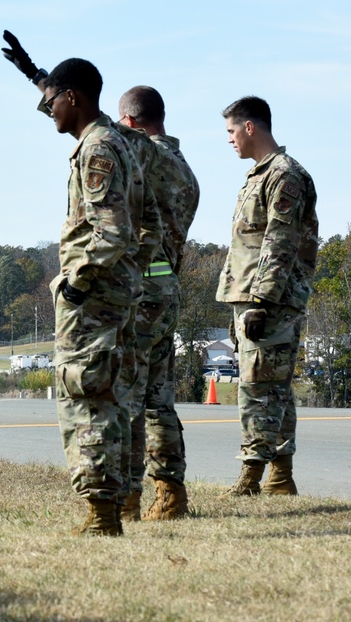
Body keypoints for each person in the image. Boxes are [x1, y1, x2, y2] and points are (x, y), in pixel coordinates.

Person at [2, 32, 160, 522]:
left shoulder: (97, 150)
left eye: (50, 101)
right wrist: (36, 75)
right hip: (120, 292)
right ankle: (112, 505)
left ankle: (100, 511)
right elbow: (148, 223)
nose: (45, 109)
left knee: (85, 397)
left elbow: (112, 231)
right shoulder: (117, 141)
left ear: (73, 98)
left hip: (94, 297)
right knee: (112, 397)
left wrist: (79, 279)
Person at [217, 96, 318, 496]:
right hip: (253, 296)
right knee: (274, 388)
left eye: (230, 131)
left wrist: (260, 302)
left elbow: (279, 241)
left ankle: (251, 476)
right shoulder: (260, 175)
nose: (229, 140)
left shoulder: (284, 175)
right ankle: (281, 476)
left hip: (269, 301)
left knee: (258, 388)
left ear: (250, 127)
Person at [117, 86, 200, 520]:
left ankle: (128, 498)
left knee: (128, 397)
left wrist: (46, 90)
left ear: (130, 123)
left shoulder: (146, 154)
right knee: (158, 399)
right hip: (165, 291)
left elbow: (92, 131)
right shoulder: (184, 169)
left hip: (141, 292)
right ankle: (171, 494)